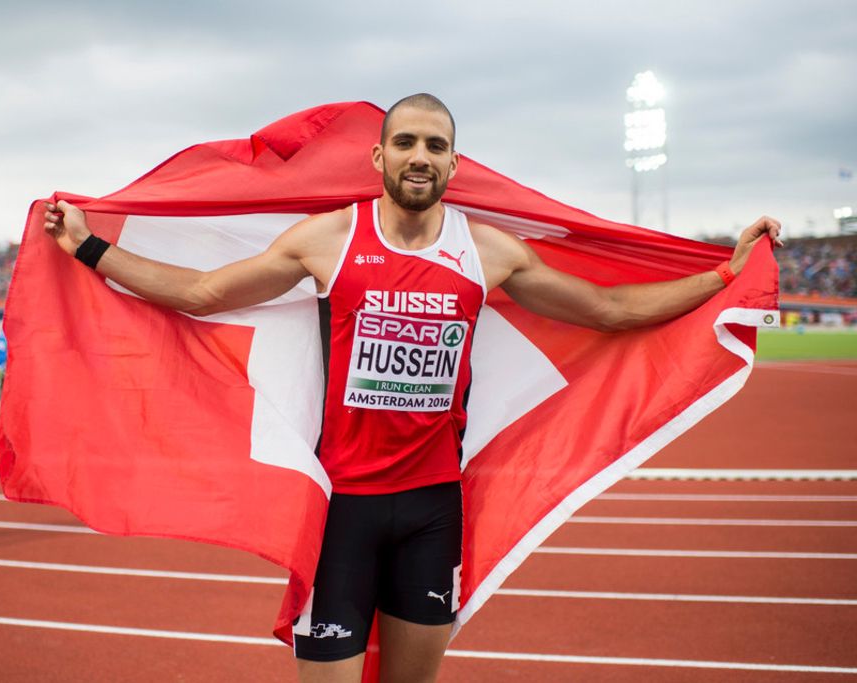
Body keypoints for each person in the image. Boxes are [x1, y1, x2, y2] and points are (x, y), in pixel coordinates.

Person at [43, 93, 781, 683]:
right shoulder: (330, 237)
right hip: (341, 513)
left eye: (434, 144)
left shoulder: (487, 252)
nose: (420, 155)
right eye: (406, 142)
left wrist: (725, 274)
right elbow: (204, 291)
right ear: (379, 155)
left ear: (454, 163)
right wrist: (87, 245)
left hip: (433, 511)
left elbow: (612, 310)